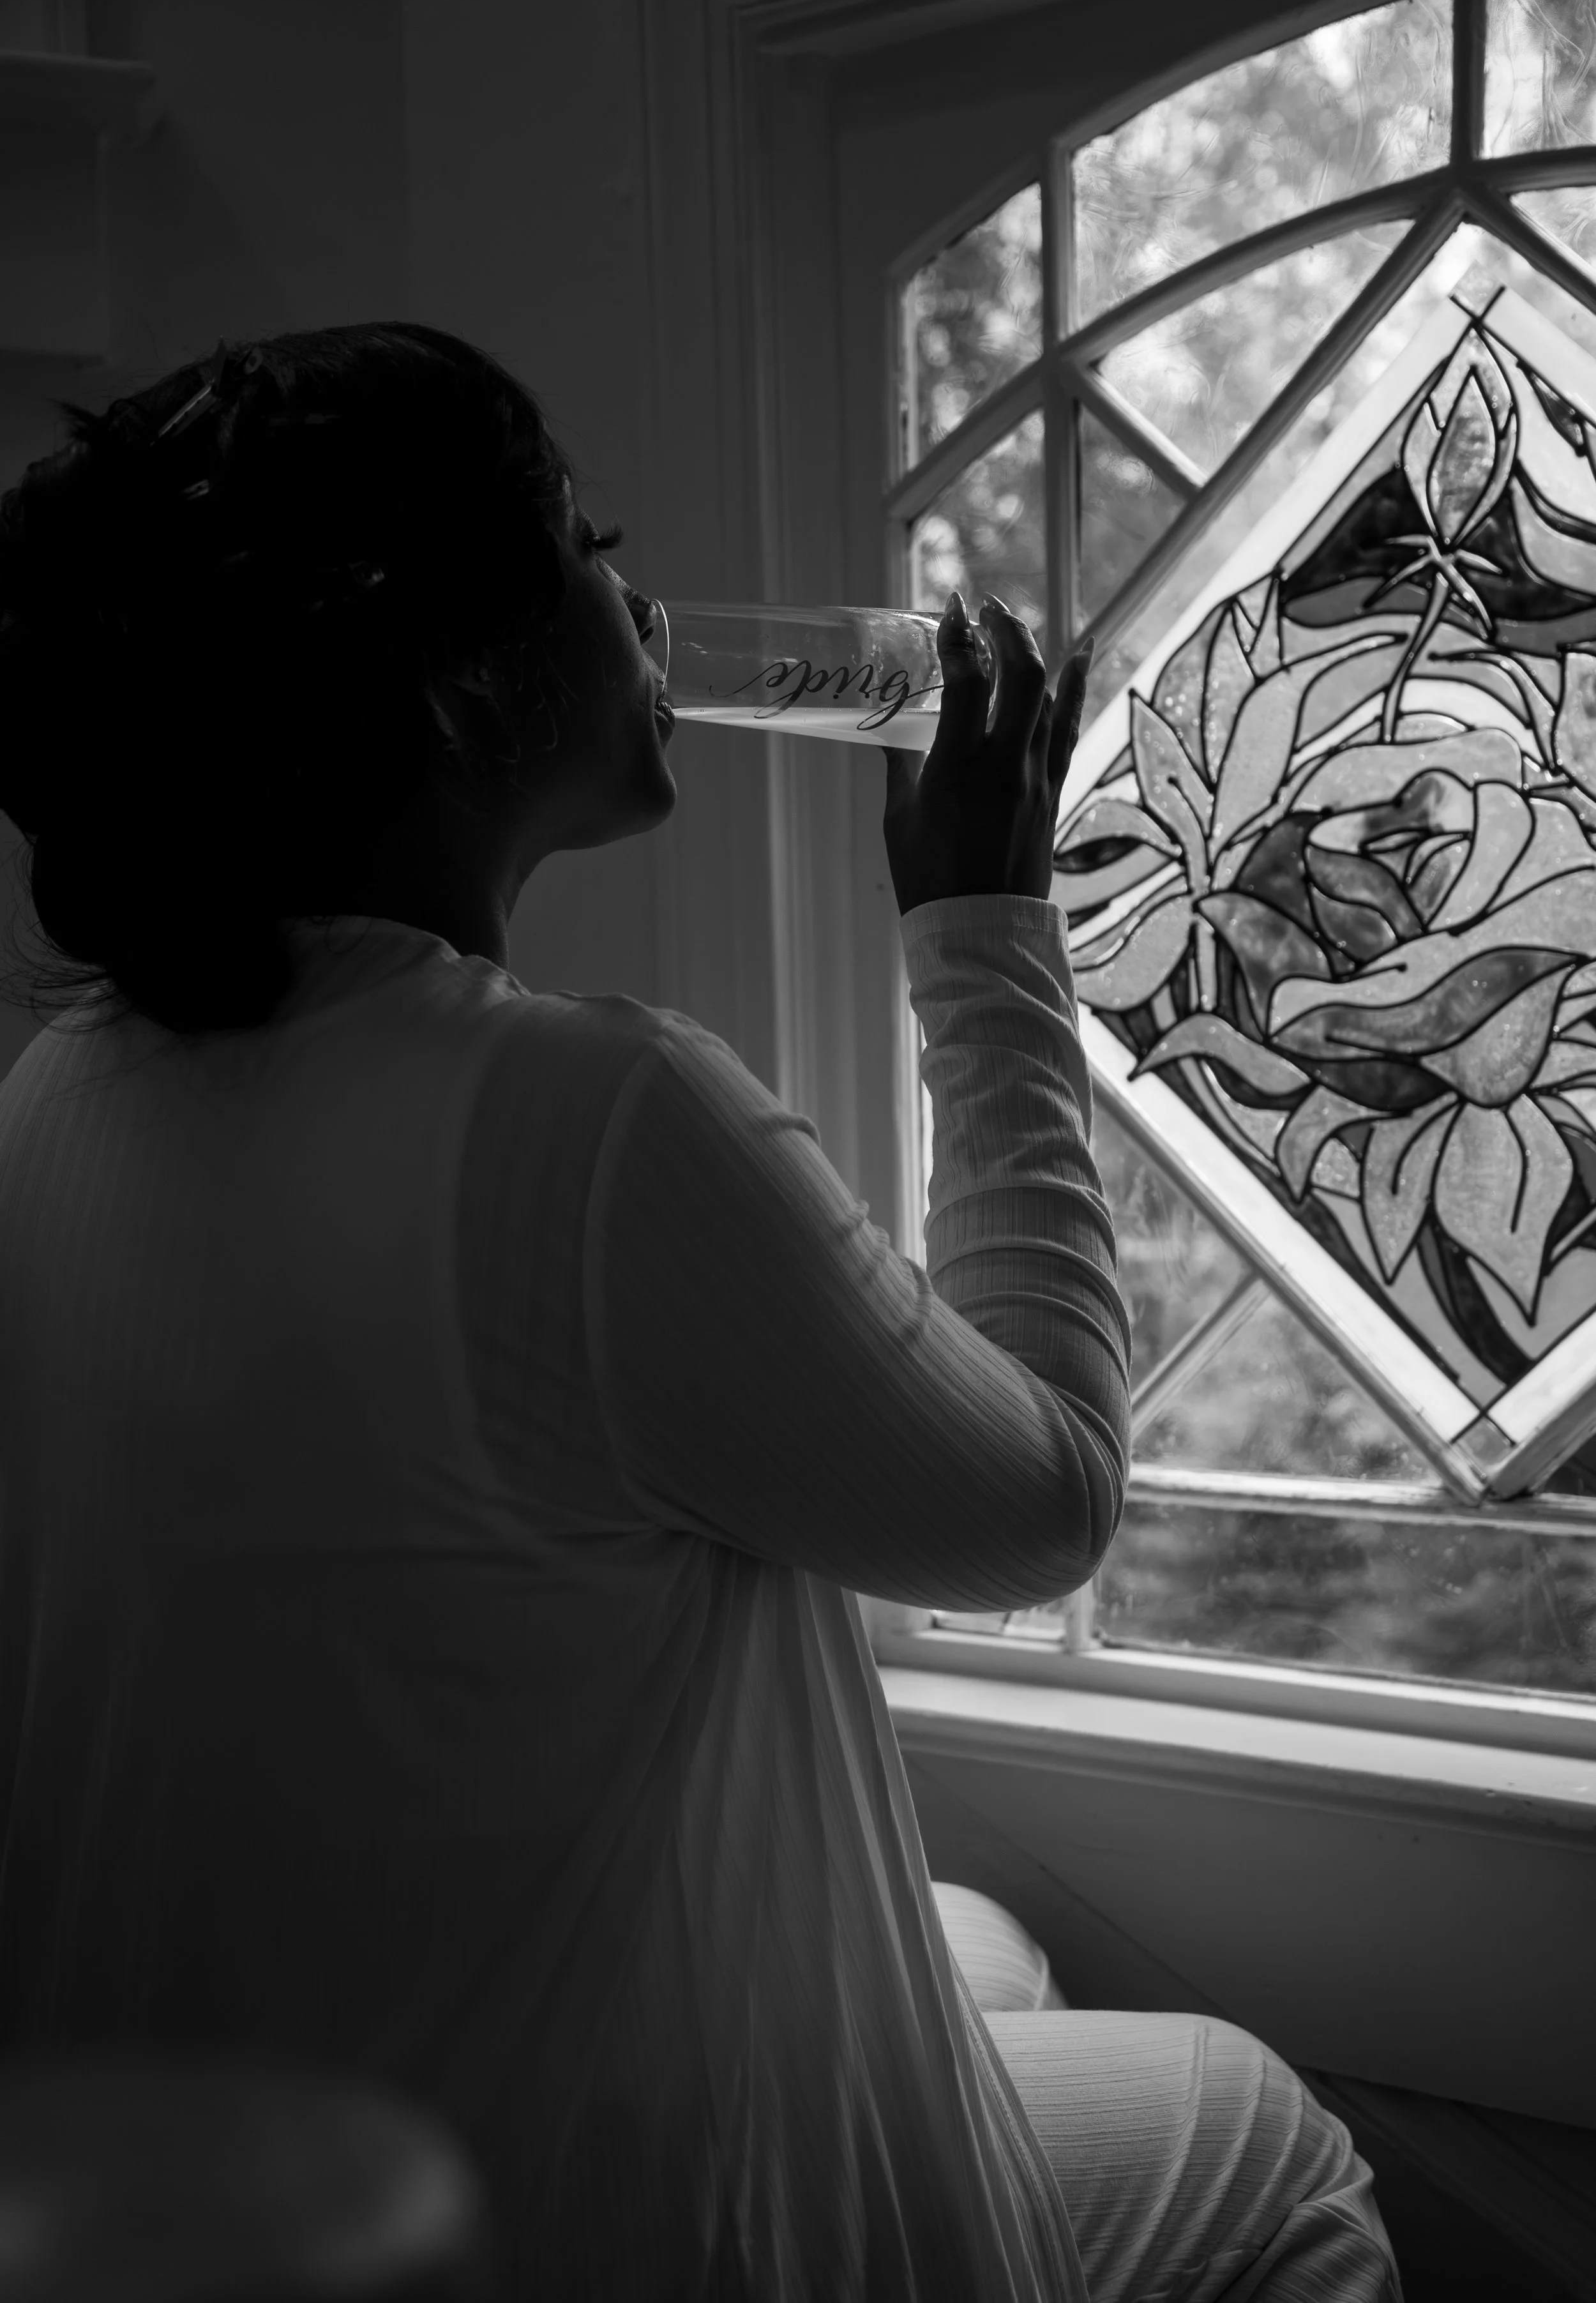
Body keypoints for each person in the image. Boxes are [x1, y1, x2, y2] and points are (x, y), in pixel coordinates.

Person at [0, 324, 1400, 2301]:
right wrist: (984, 933)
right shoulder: (586, 1115)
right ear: (459, 686)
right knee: (1260, 2122)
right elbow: (1042, 1504)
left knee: (978, 1933)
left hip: (226, 2167)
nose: (646, 605)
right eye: (587, 542)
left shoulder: (53, 1101)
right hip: (568, 2225)